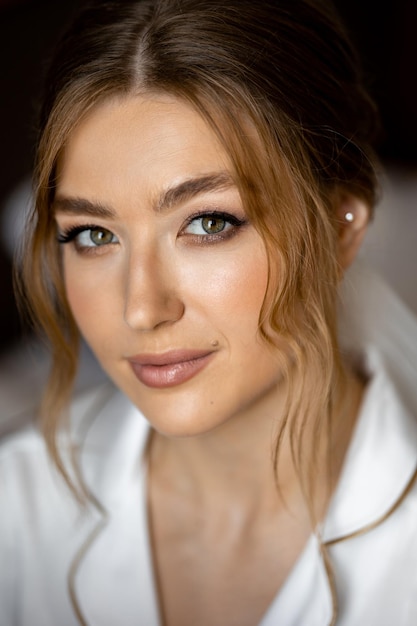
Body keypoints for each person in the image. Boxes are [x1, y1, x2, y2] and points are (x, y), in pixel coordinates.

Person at [1, 0, 417, 624]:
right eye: (92, 235)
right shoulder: (16, 511)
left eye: (208, 223)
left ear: (339, 229)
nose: (141, 309)